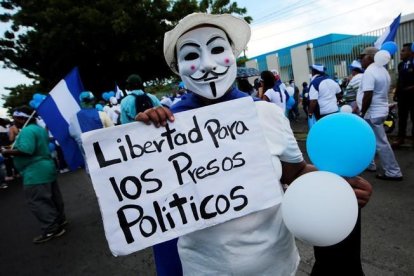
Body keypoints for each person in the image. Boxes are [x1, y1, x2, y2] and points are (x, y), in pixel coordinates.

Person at [135, 13, 372, 275]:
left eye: (216, 49)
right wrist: (143, 141)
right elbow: (149, 197)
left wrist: (341, 184)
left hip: (276, 265)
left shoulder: (265, 113)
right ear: (177, 67)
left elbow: (295, 172)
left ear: (233, 54)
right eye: (191, 55)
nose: (207, 64)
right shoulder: (167, 128)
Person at [1, 106, 67, 243]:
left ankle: (51, 230)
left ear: (22, 118)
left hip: (35, 172)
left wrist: (6, 152)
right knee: (53, 197)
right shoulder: (38, 129)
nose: (14, 121)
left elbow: (27, 150)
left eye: (15, 118)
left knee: (38, 201)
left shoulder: (27, 131)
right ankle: (60, 221)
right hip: (46, 168)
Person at [358, 46, 403, 181]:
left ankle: (393, 172)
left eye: (363, 57)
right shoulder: (383, 71)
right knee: (368, 140)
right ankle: (370, 164)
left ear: (371, 57)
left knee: (381, 143)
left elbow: (368, 95)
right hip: (380, 111)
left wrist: (362, 112)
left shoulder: (370, 72)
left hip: (372, 113)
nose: (361, 60)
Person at [69, 91, 113, 171]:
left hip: (90, 166)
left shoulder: (73, 119)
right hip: (108, 160)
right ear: (93, 101)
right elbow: (113, 132)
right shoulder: (102, 114)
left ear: (81, 102)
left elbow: (74, 136)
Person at [392, 42, 414, 148]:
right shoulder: (401, 65)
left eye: (403, 51)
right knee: (402, 118)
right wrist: (396, 92)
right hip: (402, 96)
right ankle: (400, 138)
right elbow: (399, 80)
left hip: (412, 96)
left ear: (411, 52)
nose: (400, 53)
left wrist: (410, 88)